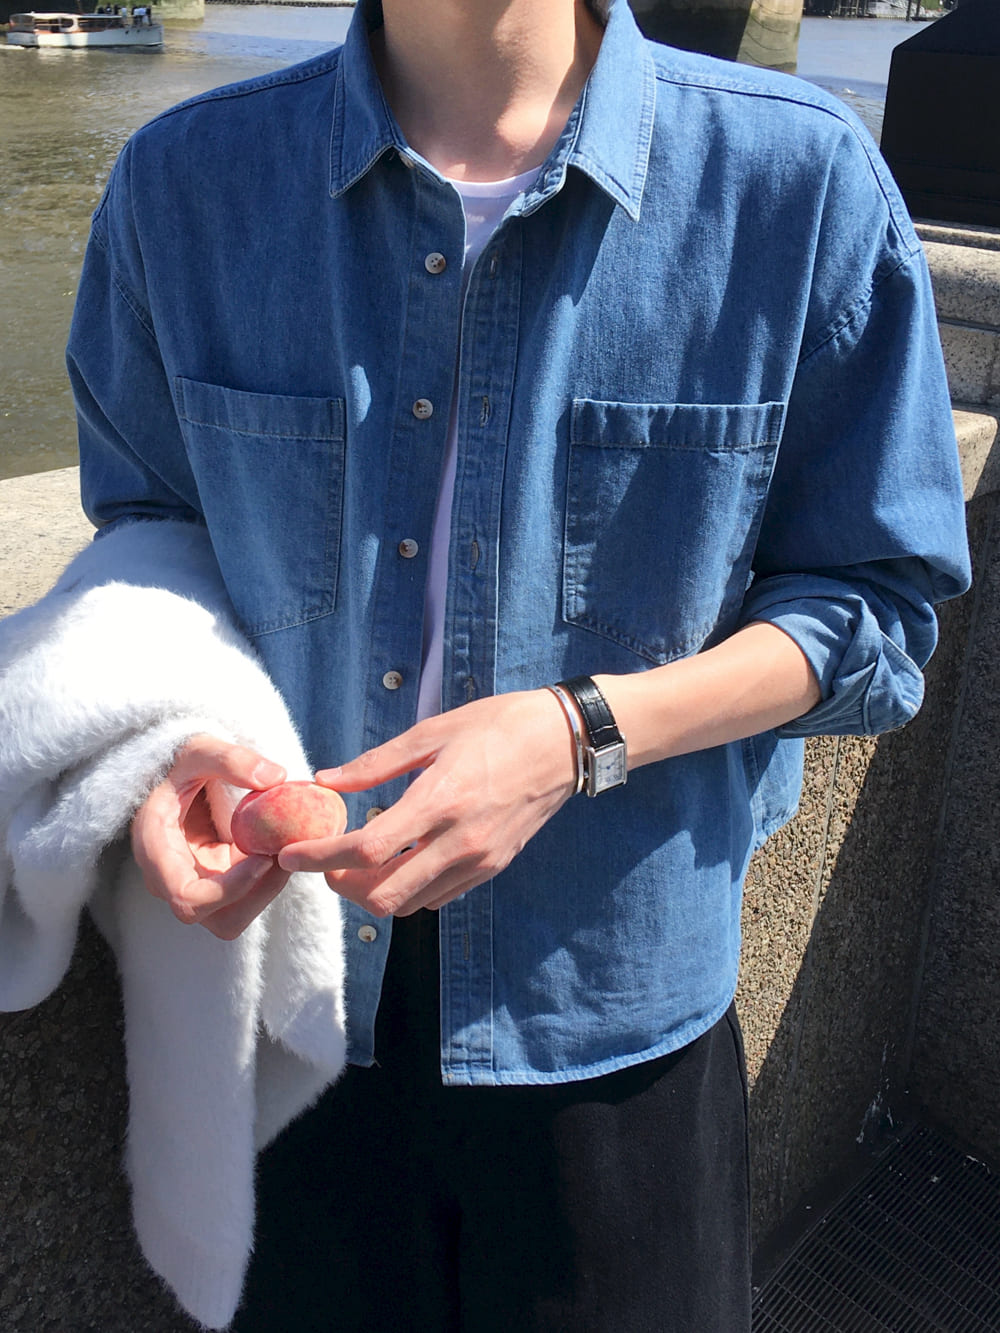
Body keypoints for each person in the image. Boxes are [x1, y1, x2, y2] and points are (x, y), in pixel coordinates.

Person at [16, 0, 971, 1327]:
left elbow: (875, 606)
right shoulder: (183, 185)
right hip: (295, 1002)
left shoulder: (795, 182)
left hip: (618, 1019)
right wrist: (169, 742)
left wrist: (581, 734)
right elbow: (152, 528)